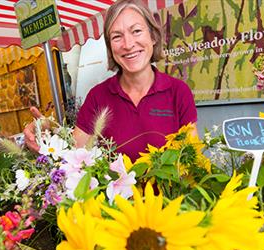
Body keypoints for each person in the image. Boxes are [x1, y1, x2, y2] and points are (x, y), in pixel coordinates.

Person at [25, 0, 198, 161]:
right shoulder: (97, 97)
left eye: (136, 31)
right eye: (117, 37)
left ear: (153, 36)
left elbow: (192, 158)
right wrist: (48, 131)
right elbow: (74, 151)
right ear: (110, 47)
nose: (128, 44)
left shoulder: (178, 92)